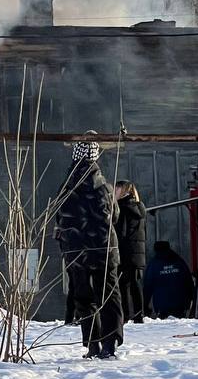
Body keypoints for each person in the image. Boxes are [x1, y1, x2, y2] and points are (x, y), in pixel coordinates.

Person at [54, 137, 123, 359]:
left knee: (83, 297)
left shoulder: (65, 186)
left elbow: (59, 217)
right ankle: (109, 344)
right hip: (104, 250)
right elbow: (115, 217)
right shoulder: (104, 187)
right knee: (109, 294)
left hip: (75, 252)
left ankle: (92, 344)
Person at [114, 180, 147, 323]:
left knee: (124, 285)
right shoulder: (139, 207)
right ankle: (139, 314)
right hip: (137, 252)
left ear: (124, 191)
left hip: (125, 250)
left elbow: (121, 232)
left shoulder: (122, 208)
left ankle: (126, 315)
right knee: (134, 283)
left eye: (116, 190)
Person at [143, 240, 196, 319]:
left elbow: (148, 287)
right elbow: (189, 282)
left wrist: (145, 306)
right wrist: (192, 301)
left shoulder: (153, 264)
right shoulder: (179, 261)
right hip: (180, 306)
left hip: (162, 307)